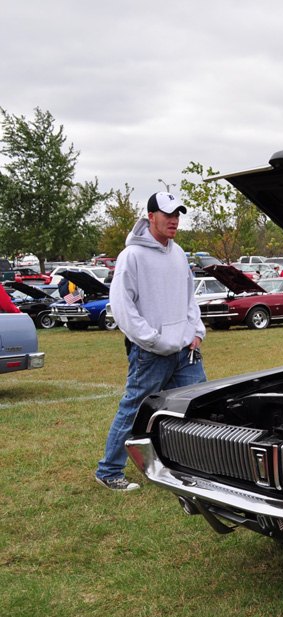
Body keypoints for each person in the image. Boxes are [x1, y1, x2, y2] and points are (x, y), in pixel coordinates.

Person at [95, 192, 207, 491]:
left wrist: (196, 332)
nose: (174, 220)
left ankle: (192, 466)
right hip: (150, 353)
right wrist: (153, 340)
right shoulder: (131, 256)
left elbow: (189, 298)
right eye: (168, 214)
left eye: (177, 215)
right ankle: (108, 470)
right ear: (150, 217)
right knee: (134, 409)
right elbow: (122, 307)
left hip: (186, 350)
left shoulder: (179, 252)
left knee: (196, 406)